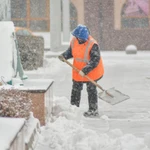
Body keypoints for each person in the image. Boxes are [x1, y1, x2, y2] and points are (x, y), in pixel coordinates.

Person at [58, 24, 104, 117]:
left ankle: (93, 110)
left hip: (92, 71)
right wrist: (64, 56)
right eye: (80, 38)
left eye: (83, 39)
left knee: (91, 89)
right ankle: (74, 108)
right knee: (76, 89)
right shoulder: (74, 41)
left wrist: (86, 70)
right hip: (78, 70)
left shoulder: (93, 44)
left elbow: (95, 60)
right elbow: (70, 52)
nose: (82, 40)